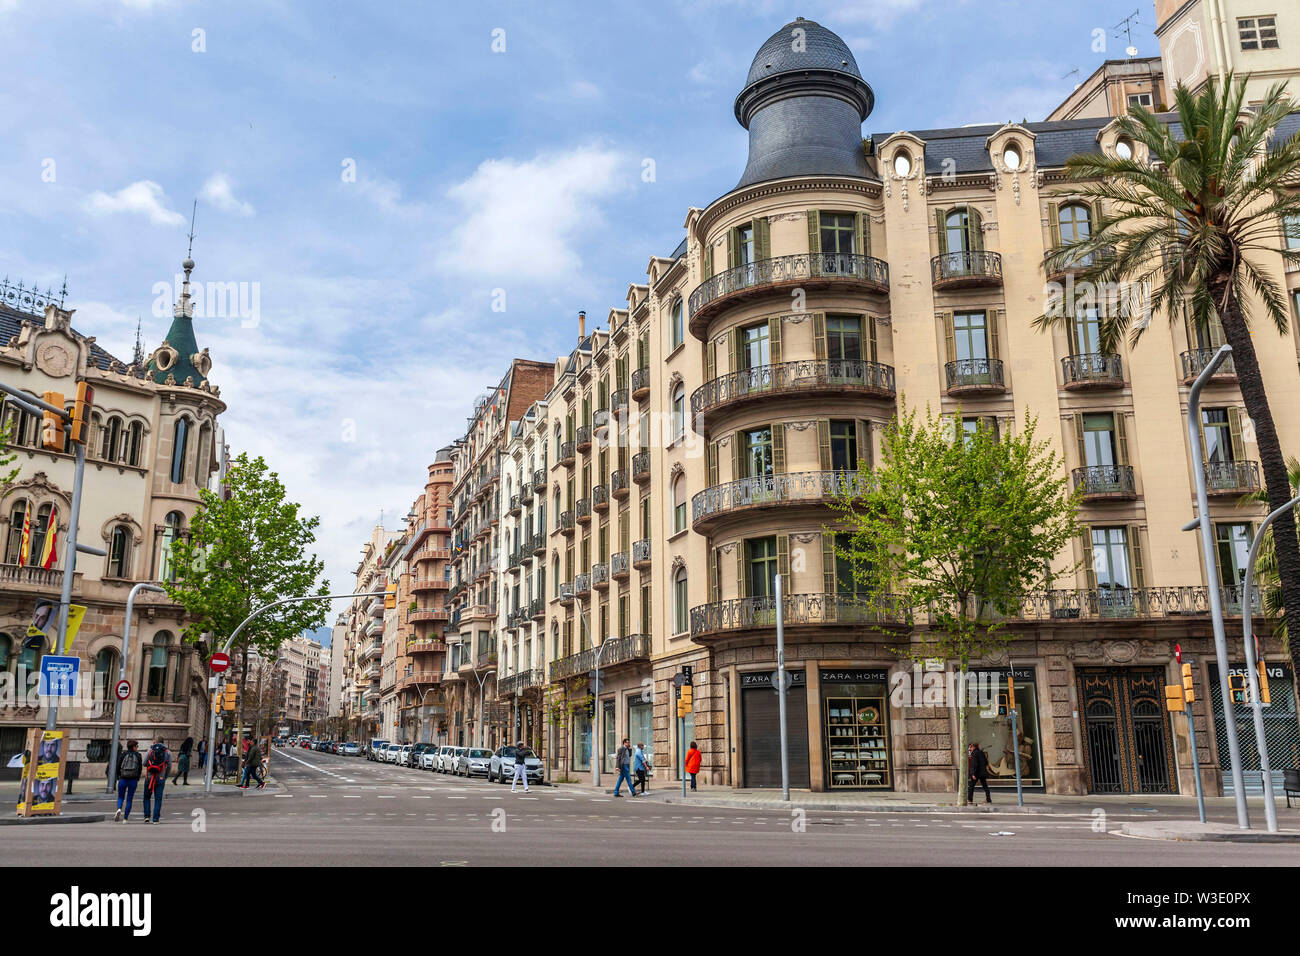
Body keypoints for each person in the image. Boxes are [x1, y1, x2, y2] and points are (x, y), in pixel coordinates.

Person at [141, 738, 171, 824]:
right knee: (158, 799)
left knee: (147, 797)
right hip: (161, 777)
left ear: (156, 742)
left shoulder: (150, 750)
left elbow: (144, 763)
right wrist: (165, 776)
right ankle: (155, 819)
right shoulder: (168, 752)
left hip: (149, 777)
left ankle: (147, 816)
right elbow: (169, 766)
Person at [113, 739, 142, 822]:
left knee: (121, 796)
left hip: (123, 778)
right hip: (133, 780)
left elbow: (118, 766)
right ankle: (125, 818)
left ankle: (119, 808)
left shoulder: (123, 754)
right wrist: (138, 777)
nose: (137, 748)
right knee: (129, 799)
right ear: (133, 747)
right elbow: (140, 768)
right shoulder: (138, 755)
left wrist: (119, 776)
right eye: (137, 746)